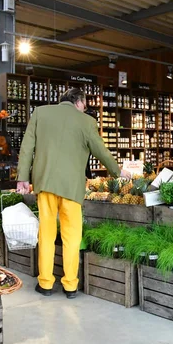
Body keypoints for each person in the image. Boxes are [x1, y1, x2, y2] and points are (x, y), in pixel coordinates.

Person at [17, 88, 130, 299]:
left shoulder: (40, 113)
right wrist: (118, 171)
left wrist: (22, 177)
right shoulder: (86, 122)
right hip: (71, 188)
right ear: (79, 102)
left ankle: (46, 283)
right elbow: (100, 150)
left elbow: (26, 147)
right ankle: (70, 286)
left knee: (47, 234)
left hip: (46, 184)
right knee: (71, 236)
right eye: (85, 106)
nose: (84, 109)